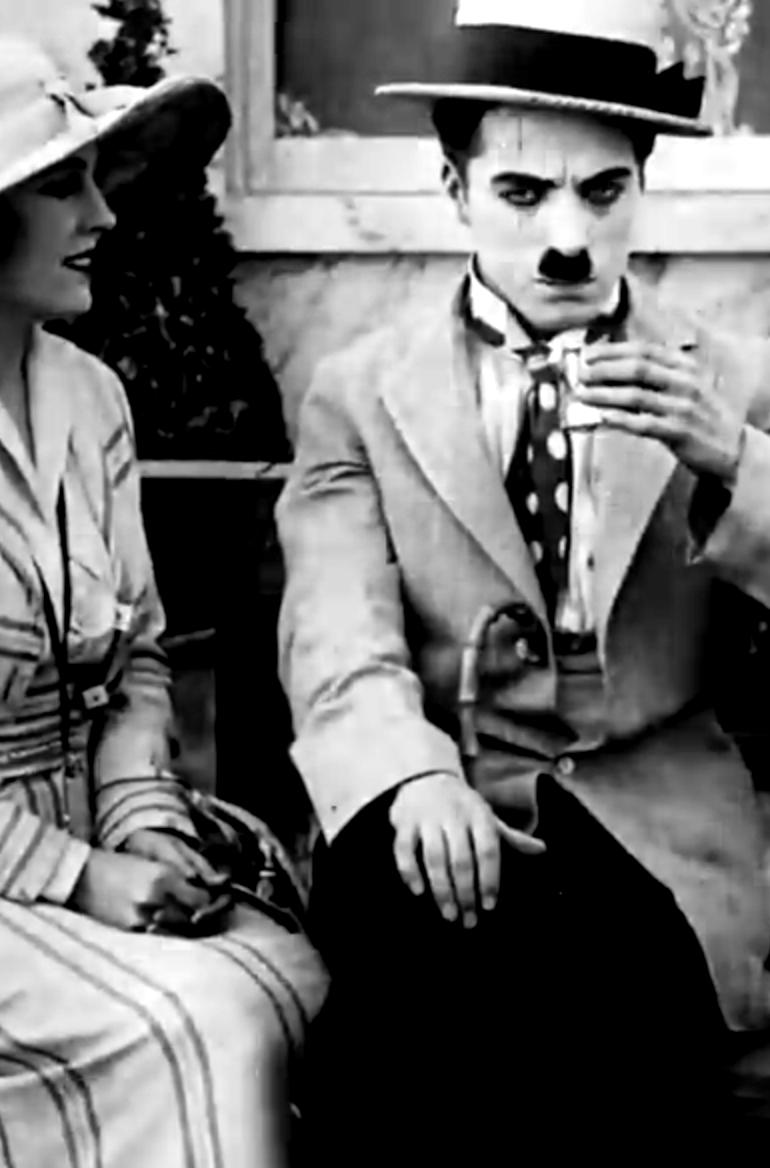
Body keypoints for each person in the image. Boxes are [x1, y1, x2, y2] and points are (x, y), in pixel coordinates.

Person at [277, 0, 770, 1160]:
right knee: (418, 1006)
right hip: (437, 803)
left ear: (641, 188)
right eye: (520, 193)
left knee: (603, 1013)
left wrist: (732, 461)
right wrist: (406, 773)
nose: (567, 240)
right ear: (453, 190)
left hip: (652, 824)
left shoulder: (731, 382)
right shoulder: (360, 391)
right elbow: (337, 638)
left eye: (601, 193)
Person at [0, 37, 326, 1168]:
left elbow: (136, 653)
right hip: (23, 872)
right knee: (209, 1017)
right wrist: (74, 876)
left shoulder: (87, 396)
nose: (102, 215)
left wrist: (141, 824)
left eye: (98, 179)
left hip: (91, 835)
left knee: (291, 969)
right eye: (61, 184)